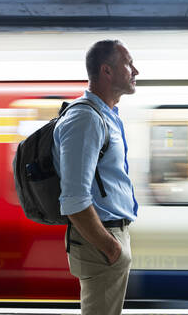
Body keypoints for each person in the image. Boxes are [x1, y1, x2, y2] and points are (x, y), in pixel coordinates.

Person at [51, 39, 139, 315]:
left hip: (109, 235)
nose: (136, 71)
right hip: (101, 240)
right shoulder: (85, 119)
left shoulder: (106, 115)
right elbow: (74, 199)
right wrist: (111, 248)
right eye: (129, 63)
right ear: (107, 71)